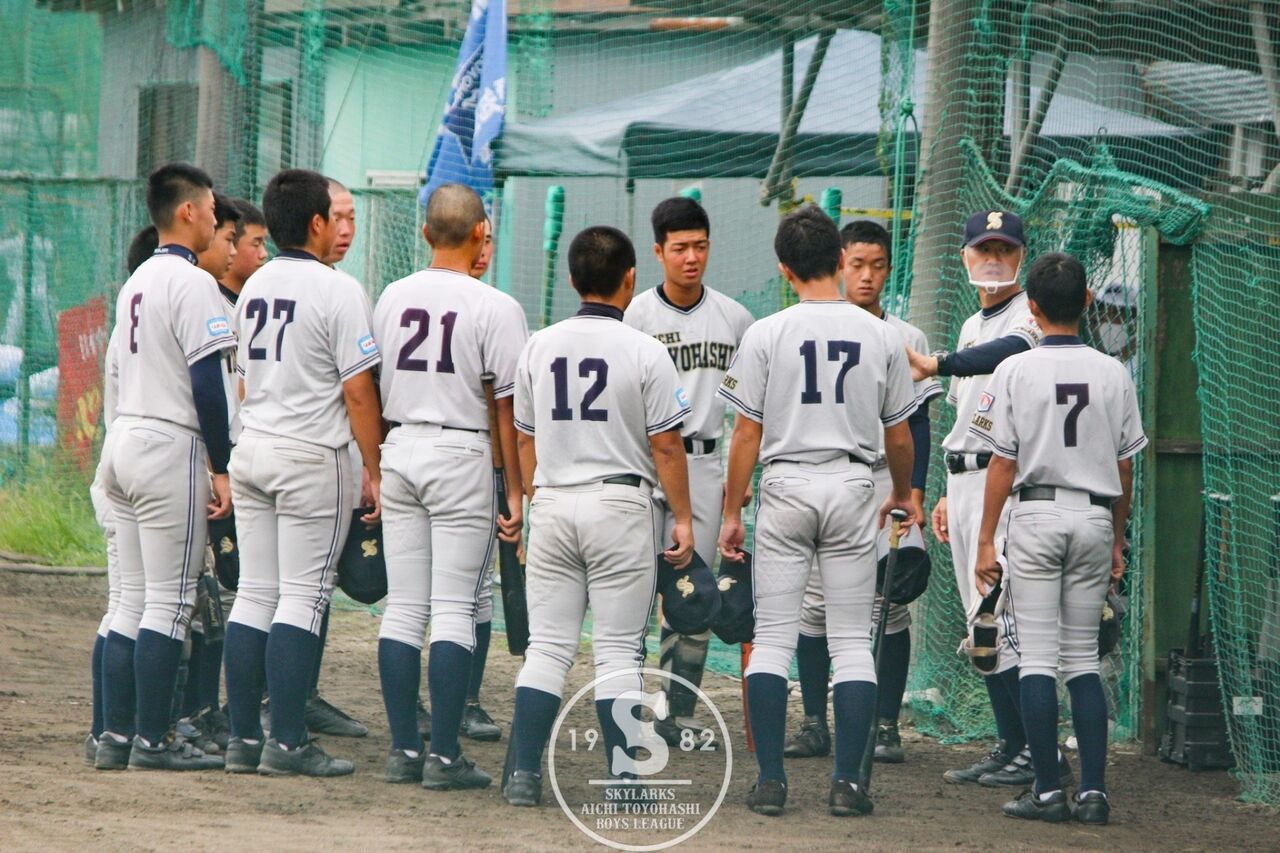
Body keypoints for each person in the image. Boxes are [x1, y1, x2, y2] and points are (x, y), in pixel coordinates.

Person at [717, 206, 917, 817]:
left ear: (785, 269)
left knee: (773, 639)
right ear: (838, 260)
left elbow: (746, 433)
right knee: (852, 641)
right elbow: (899, 434)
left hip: (785, 483)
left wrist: (731, 511)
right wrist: (902, 493)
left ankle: (771, 781)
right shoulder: (881, 334)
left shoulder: (766, 332)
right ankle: (847, 784)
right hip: (853, 482)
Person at [503, 225, 694, 808]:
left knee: (547, 648)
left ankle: (523, 775)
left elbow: (524, 438)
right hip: (620, 504)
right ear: (630, 278)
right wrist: (684, 518)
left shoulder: (539, 344)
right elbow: (667, 446)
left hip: (553, 500)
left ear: (571, 279)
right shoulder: (645, 349)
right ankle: (623, 780)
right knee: (616, 648)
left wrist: (534, 503)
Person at [968, 252, 1145, 825]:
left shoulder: (1015, 369)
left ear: (1034, 309)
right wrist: (1117, 538)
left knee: (1038, 658)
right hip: (1093, 516)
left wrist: (986, 539)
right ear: (1087, 301)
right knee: (1083, 662)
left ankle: (1048, 792)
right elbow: (1125, 468)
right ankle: (1093, 794)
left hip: (1037, 515)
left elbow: (1002, 463)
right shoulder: (1114, 372)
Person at [221, 169, 383, 777]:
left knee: (255, 593)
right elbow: (359, 392)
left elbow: (243, 382)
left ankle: (243, 739)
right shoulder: (338, 289)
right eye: (333, 217)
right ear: (316, 223)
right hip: (311, 454)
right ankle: (287, 742)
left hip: (253, 448)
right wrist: (376, 467)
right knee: (304, 595)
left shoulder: (255, 284)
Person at [371, 184, 527, 788]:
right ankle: (443, 757)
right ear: (481, 234)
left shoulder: (392, 295)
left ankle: (403, 750)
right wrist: (515, 490)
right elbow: (507, 408)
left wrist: (376, 463)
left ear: (426, 232)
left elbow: (372, 386)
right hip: (462, 452)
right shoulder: (496, 305)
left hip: (400, 446)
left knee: (404, 608)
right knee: (456, 609)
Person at [907, 210, 1068, 789]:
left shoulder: (1029, 314)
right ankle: (1012, 744)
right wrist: (946, 491)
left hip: (1004, 483)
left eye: (1004, 248)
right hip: (965, 479)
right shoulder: (971, 323)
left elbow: (1005, 353)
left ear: (1022, 255)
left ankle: (1041, 753)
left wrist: (939, 362)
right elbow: (963, 414)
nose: (994, 258)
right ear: (966, 257)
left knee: (1004, 620)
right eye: (984, 248)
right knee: (982, 625)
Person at [784, 220, 943, 764]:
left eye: (877, 265)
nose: (867, 276)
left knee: (889, 604)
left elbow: (917, 424)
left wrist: (913, 490)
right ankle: (814, 722)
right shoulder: (808, 325)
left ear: (889, 268)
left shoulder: (906, 336)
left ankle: (885, 726)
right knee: (813, 606)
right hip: (823, 473)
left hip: (883, 478)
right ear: (838, 265)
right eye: (857, 264)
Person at [94, 163, 235, 771]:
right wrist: (222, 465)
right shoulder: (193, 280)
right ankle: (154, 741)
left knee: (129, 602)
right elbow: (207, 383)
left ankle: (114, 736)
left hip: (123, 441)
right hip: (167, 444)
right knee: (170, 604)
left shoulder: (138, 280)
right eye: (211, 209)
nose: (214, 219)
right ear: (187, 211)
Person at [623, 196, 753, 746]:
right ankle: (627, 701)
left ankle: (677, 712)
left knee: (693, 594)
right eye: (679, 248)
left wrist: (738, 485)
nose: (691, 258)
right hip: (640, 461)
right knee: (632, 590)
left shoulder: (735, 318)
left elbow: (750, 412)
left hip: (702, 461)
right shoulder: (635, 316)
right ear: (658, 252)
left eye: (699, 246)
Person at [82, 228, 156, 765]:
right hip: (138, 474)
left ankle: (106, 732)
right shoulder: (147, 328)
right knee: (139, 606)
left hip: (118, 469)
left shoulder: (133, 324)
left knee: (127, 606)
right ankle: (114, 731)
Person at [456, 212, 505, 744]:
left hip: (465, 458)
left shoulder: (493, 303)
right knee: (454, 597)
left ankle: (465, 701)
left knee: (477, 593)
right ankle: (454, 706)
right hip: (468, 458)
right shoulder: (492, 308)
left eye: (492, 239)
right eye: (481, 238)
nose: (485, 249)